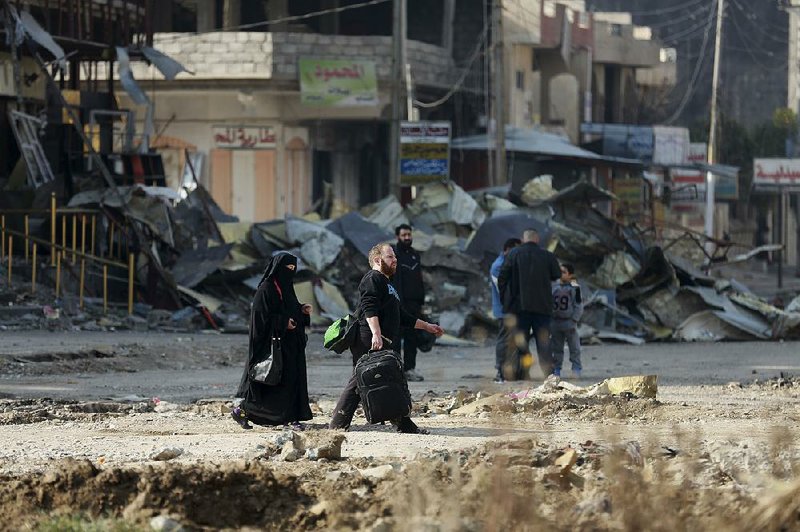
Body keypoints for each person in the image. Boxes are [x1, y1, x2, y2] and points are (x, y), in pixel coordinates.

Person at [329, 243, 444, 433]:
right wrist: (376, 333)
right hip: (369, 337)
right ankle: (337, 425)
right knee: (363, 378)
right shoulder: (372, 278)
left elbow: (402, 316)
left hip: (380, 338)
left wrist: (427, 326)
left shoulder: (388, 283)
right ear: (377, 260)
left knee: (386, 378)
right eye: (390, 257)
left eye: (395, 257)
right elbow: (369, 307)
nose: (395, 260)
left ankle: (401, 423)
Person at [232, 252, 313, 430]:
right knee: (270, 382)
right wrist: (283, 323)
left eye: (293, 269)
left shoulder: (286, 288)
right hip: (273, 345)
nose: (290, 272)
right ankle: (243, 412)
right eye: (287, 269)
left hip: (290, 345)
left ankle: (289, 418)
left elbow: (289, 308)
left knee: (291, 381)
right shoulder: (266, 289)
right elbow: (260, 319)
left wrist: (302, 310)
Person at [497, 228, 561, 379]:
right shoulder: (547, 255)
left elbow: (502, 278)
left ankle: (521, 372)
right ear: (537, 239)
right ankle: (548, 374)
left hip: (519, 307)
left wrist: (505, 301)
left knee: (520, 341)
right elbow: (557, 274)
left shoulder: (513, 254)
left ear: (523, 239)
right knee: (544, 341)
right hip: (543, 306)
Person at [391, 223, 426, 382]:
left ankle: (410, 369)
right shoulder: (394, 256)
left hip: (414, 305)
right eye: (404, 235)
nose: (407, 238)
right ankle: (397, 370)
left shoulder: (414, 255)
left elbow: (418, 280)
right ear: (398, 237)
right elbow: (395, 282)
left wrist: (421, 301)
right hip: (399, 304)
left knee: (412, 338)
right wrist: (398, 303)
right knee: (396, 339)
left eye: (409, 235)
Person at [490, 237, 521, 383]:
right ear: (508, 249)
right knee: (504, 339)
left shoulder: (509, 263)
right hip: (504, 310)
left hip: (511, 308)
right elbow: (501, 289)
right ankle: (500, 370)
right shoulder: (498, 266)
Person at [550, 262, 583, 378]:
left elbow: (578, 304)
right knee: (556, 347)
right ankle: (557, 369)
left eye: (564, 272)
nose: (561, 274)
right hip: (555, 321)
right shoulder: (554, 286)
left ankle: (576, 368)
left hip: (568, 321)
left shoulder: (574, 287)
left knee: (574, 347)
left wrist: (574, 319)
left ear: (570, 275)